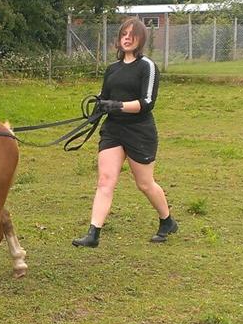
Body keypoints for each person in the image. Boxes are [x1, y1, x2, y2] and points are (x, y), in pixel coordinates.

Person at [72, 17, 177, 248]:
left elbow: (147, 102)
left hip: (139, 131)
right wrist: (100, 105)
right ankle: (93, 234)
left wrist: (118, 105)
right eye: (123, 34)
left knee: (145, 184)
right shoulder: (112, 69)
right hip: (113, 130)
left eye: (133, 34)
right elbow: (104, 95)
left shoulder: (146, 66)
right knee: (105, 180)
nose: (127, 38)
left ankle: (167, 220)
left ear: (140, 39)